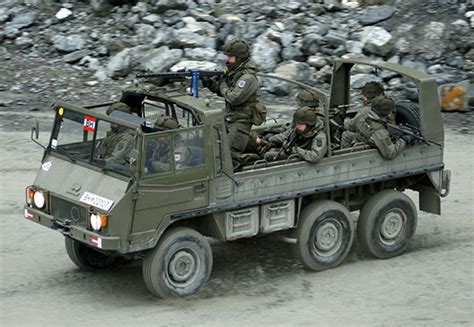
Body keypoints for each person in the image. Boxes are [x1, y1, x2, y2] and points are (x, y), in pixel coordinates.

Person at [205, 37, 262, 169]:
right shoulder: (236, 73)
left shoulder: (248, 78)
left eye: (230, 57)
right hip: (229, 117)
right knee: (211, 143)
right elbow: (226, 92)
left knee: (228, 156)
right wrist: (212, 85)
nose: (227, 60)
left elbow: (233, 97)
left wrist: (222, 83)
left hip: (241, 121)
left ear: (239, 58)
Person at [340, 95, 413, 160]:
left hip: (359, 141)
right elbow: (390, 153)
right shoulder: (379, 131)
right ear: (390, 113)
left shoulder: (363, 115)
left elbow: (350, 126)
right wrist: (404, 140)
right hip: (365, 153)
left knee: (346, 134)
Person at [341, 81, 386, 148]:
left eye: (364, 96)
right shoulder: (387, 105)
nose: (362, 98)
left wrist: (346, 120)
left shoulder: (366, 110)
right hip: (381, 137)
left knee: (346, 134)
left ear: (366, 97)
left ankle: (345, 155)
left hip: (372, 140)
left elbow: (351, 126)